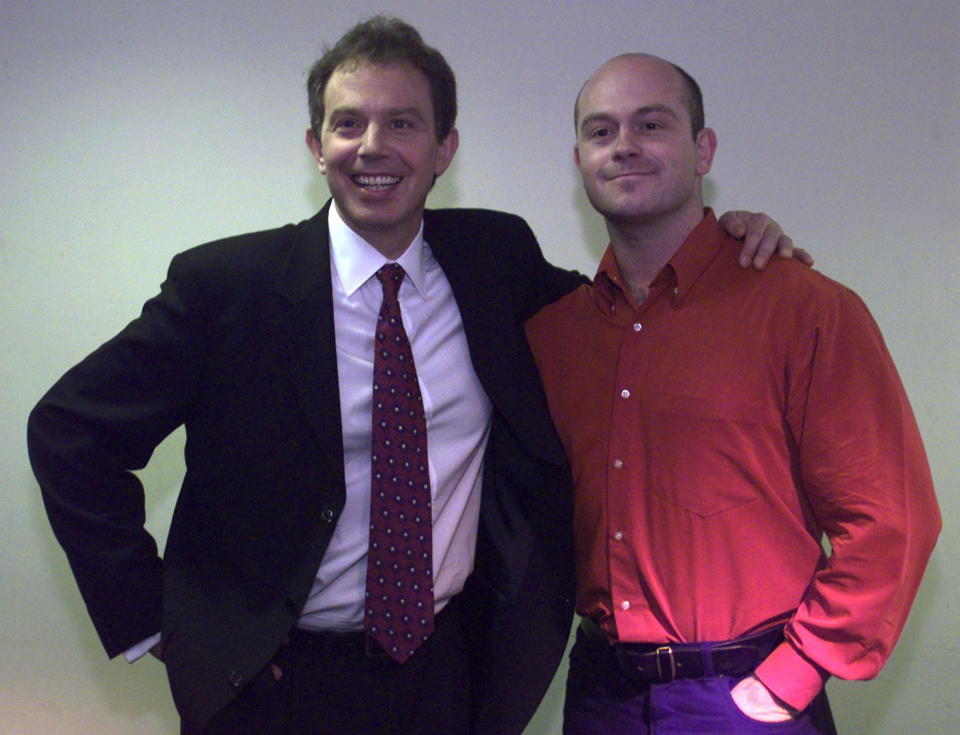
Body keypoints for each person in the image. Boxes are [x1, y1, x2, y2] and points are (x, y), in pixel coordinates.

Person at [28, 19, 797, 735]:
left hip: (447, 678)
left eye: (402, 123)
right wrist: (148, 616)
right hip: (266, 684)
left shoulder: (495, 261)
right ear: (314, 143)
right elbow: (69, 431)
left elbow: (624, 304)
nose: (373, 145)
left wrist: (724, 242)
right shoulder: (226, 288)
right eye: (348, 122)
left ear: (444, 147)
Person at [525, 53, 941, 734]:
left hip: (747, 693)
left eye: (650, 123)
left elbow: (892, 520)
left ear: (703, 148)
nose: (623, 144)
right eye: (601, 132)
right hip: (600, 694)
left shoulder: (803, 308)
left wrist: (798, 673)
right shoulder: (553, 332)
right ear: (579, 160)